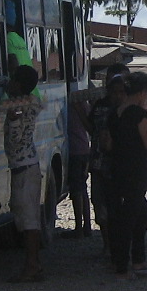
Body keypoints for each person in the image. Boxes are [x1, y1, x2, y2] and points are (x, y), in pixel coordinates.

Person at [105, 71, 147, 279]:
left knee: (139, 213)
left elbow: (108, 143)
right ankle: (124, 265)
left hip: (118, 168)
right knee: (131, 218)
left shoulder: (115, 113)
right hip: (135, 170)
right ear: (142, 92)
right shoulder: (138, 115)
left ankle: (136, 260)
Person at [0, 63, 45, 282]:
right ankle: (33, 264)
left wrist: (12, 119)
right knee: (26, 218)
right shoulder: (30, 103)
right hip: (26, 166)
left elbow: (15, 140)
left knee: (29, 222)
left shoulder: (17, 109)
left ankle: (32, 265)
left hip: (24, 168)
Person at [87, 70, 127, 251]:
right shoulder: (102, 108)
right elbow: (92, 128)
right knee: (101, 203)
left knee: (115, 205)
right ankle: (108, 244)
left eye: (121, 92)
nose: (117, 96)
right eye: (115, 92)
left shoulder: (126, 109)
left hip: (117, 165)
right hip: (100, 163)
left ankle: (115, 244)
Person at [64, 85, 92, 237]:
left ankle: (79, 227)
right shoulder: (84, 105)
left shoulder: (70, 106)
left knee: (76, 189)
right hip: (84, 149)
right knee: (82, 188)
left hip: (75, 151)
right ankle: (86, 225)